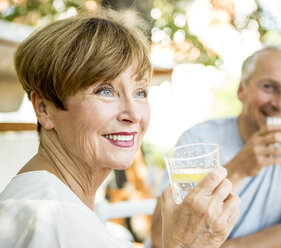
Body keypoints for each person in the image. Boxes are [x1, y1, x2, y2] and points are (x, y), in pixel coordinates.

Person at [0, 9, 241, 248]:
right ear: (44, 109)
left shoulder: (48, 202)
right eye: (105, 91)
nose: (134, 114)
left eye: (140, 92)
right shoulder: (55, 219)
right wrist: (185, 245)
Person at [151, 46, 281, 248]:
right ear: (242, 90)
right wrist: (239, 168)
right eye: (269, 87)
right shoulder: (199, 139)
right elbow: (160, 238)